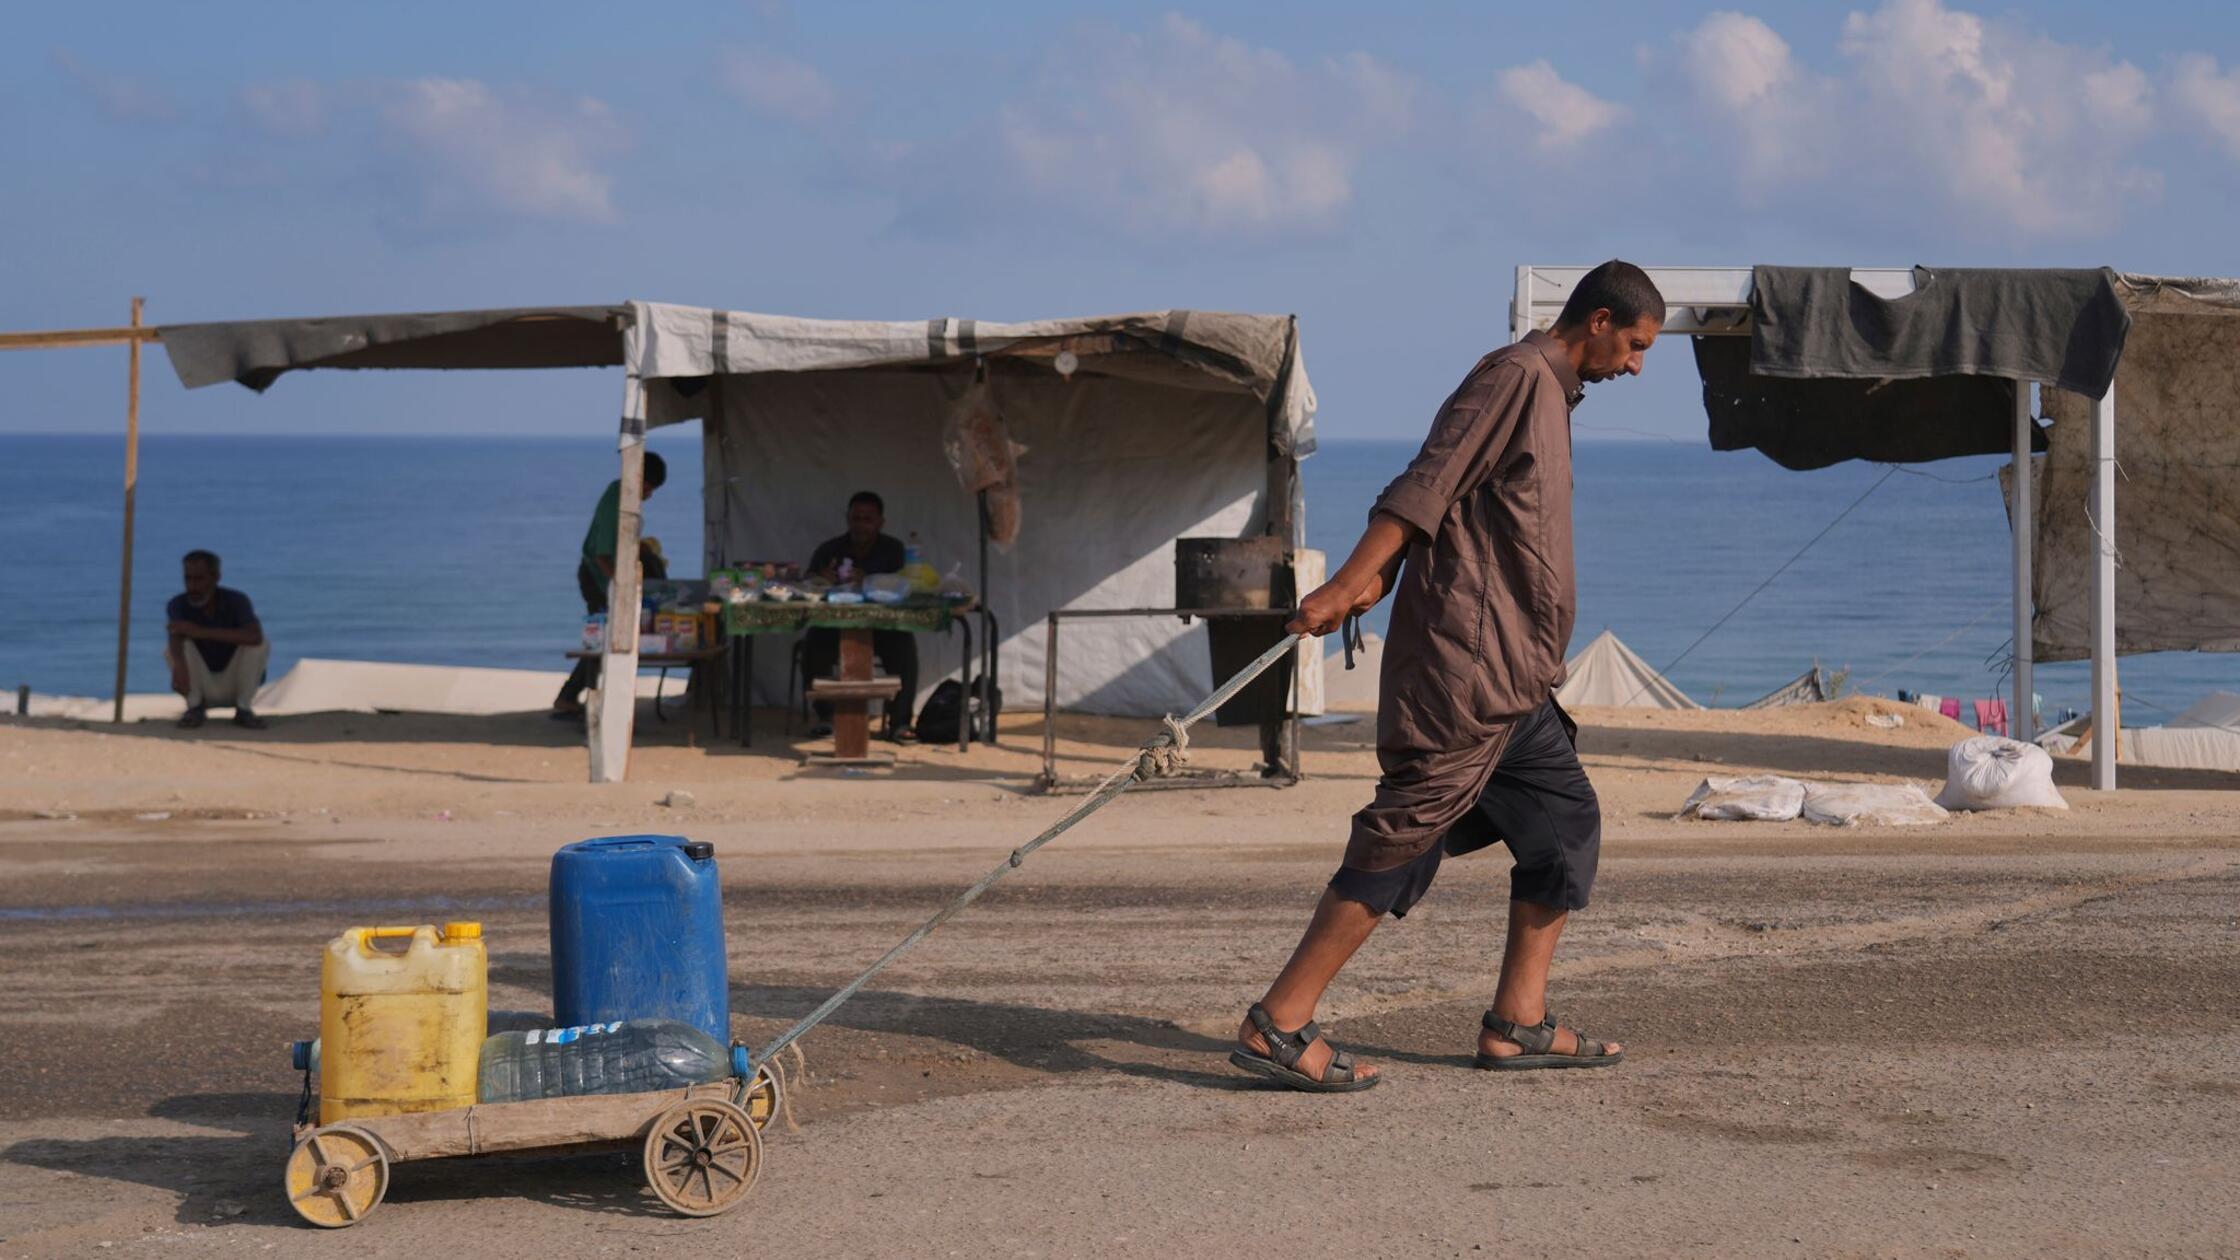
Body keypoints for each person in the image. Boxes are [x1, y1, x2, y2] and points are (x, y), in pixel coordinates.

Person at [1230, 260, 1665, 1092]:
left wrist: (1385, 574)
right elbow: (1425, 486)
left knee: (1564, 821)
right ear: (1601, 320)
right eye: (1637, 347)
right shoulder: (1516, 376)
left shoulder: (1549, 393)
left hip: (1515, 678)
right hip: (1468, 672)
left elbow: (1462, 504)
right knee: (1406, 836)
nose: (1638, 367)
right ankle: (1277, 1024)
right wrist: (1351, 581)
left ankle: (1518, 1023)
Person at [552, 452, 667, 720]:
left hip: (609, 577)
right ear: (637, 479)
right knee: (603, 638)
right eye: (647, 489)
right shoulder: (616, 499)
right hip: (597, 577)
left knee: (605, 638)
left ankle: (574, 695)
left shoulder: (625, 499)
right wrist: (619, 587)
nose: (648, 496)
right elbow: (602, 554)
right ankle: (577, 697)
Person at [803, 490, 918, 739]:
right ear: (848, 519)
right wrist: (820, 578)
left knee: (904, 645)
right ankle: (825, 716)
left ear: (880, 522)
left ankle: (899, 723)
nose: (861, 525)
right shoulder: (830, 549)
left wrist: (869, 581)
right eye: (856, 519)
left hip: (882, 627)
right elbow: (807, 582)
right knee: (813, 643)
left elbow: (903, 585)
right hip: (835, 625)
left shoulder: (893, 549)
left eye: (867, 519)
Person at [166, 549, 269, 730]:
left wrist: (201, 632)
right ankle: (194, 707)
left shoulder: (236, 601)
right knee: (177, 647)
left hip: (236, 681)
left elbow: (255, 636)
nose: (192, 586)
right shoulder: (178, 604)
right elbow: (175, 634)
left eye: (199, 579)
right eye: (188, 579)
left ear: (215, 578)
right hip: (201, 684)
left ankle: (244, 709)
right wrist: (179, 665)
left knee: (259, 646)